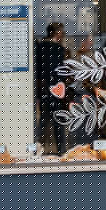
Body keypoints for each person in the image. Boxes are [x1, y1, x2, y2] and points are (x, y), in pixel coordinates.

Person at [34, 22, 69, 154]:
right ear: (57, 33)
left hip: (44, 90)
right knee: (58, 122)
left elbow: (38, 71)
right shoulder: (59, 50)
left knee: (43, 121)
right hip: (57, 91)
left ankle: (36, 150)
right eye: (62, 32)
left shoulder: (40, 47)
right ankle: (61, 151)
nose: (63, 35)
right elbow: (62, 72)